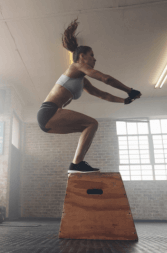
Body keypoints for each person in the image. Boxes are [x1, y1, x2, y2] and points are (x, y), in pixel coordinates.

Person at [37, 18, 142, 174]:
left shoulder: (82, 81)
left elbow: (102, 94)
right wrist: (129, 90)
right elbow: (105, 78)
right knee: (92, 123)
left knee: (89, 126)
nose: (95, 59)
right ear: (82, 57)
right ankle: (76, 164)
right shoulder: (75, 67)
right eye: (91, 55)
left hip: (47, 121)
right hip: (49, 112)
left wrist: (124, 100)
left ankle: (77, 164)